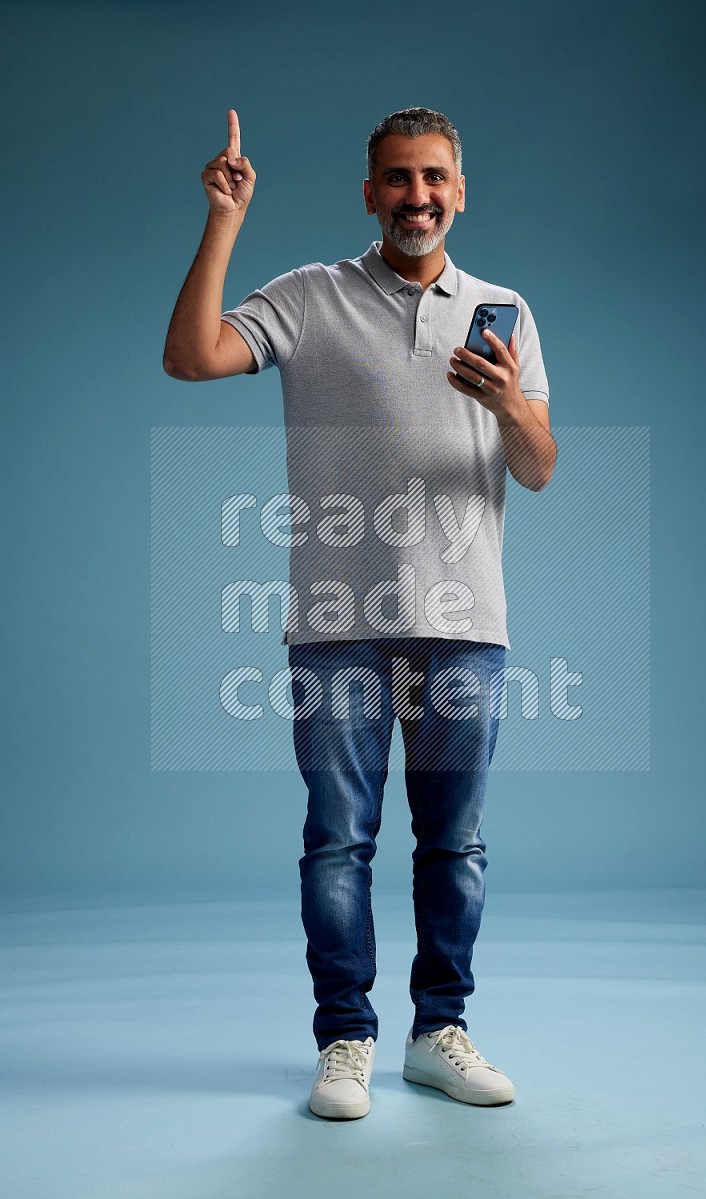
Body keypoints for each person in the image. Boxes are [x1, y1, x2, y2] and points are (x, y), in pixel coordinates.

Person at [163, 106, 557, 1120]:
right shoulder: (309, 296)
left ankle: (438, 1032)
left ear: (457, 191)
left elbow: (538, 467)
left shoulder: (504, 309)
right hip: (335, 620)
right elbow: (192, 355)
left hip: (466, 619)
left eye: (432, 177)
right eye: (395, 178)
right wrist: (222, 220)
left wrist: (511, 404)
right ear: (369, 193)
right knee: (338, 839)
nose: (415, 195)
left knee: (453, 842)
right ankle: (345, 1037)